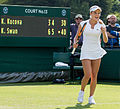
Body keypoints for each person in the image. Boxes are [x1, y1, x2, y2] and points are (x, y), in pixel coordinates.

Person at [73, 5, 108, 104]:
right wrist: (75, 42)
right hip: (86, 51)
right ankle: (82, 92)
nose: (97, 15)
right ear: (90, 14)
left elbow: (105, 40)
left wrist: (104, 32)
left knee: (94, 76)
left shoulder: (101, 25)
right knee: (87, 74)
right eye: (95, 13)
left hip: (97, 51)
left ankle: (91, 97)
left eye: (98, 13)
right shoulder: (83, 24)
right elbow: (76, 37)